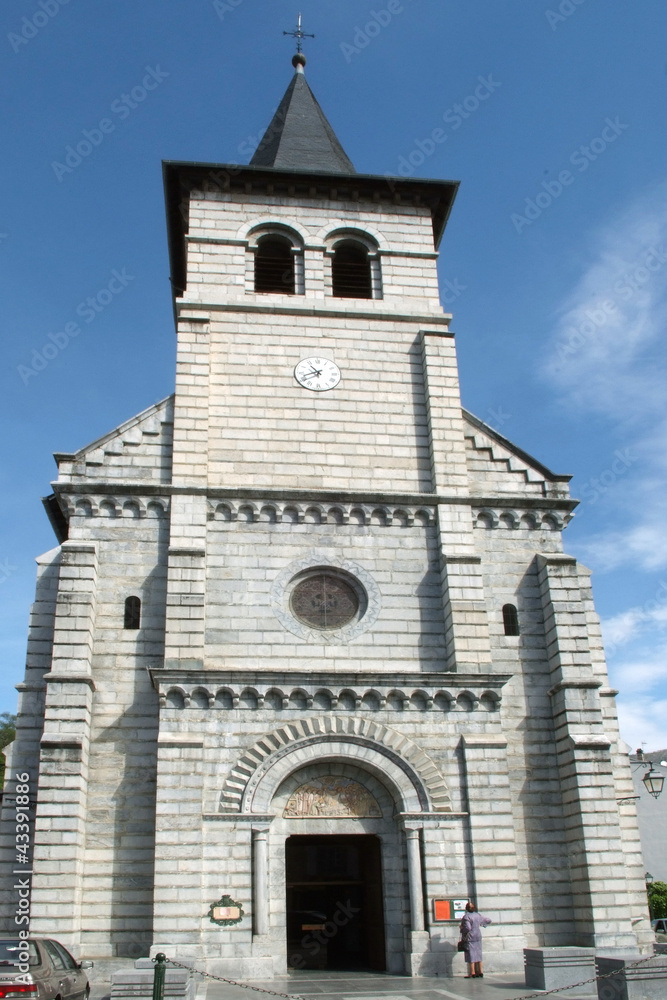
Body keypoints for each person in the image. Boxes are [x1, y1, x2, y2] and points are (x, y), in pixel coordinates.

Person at [459, 901, 492, 978]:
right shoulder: (478, 915)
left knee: (471, 954)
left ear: (466, 909)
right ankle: (480, 971)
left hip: (470, 937)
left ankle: (472, 972)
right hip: (478, 935)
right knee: (478, 953)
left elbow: (468, 927)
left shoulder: (466, 917)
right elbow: (488, 920)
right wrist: (482, 925)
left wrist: (462, 929)